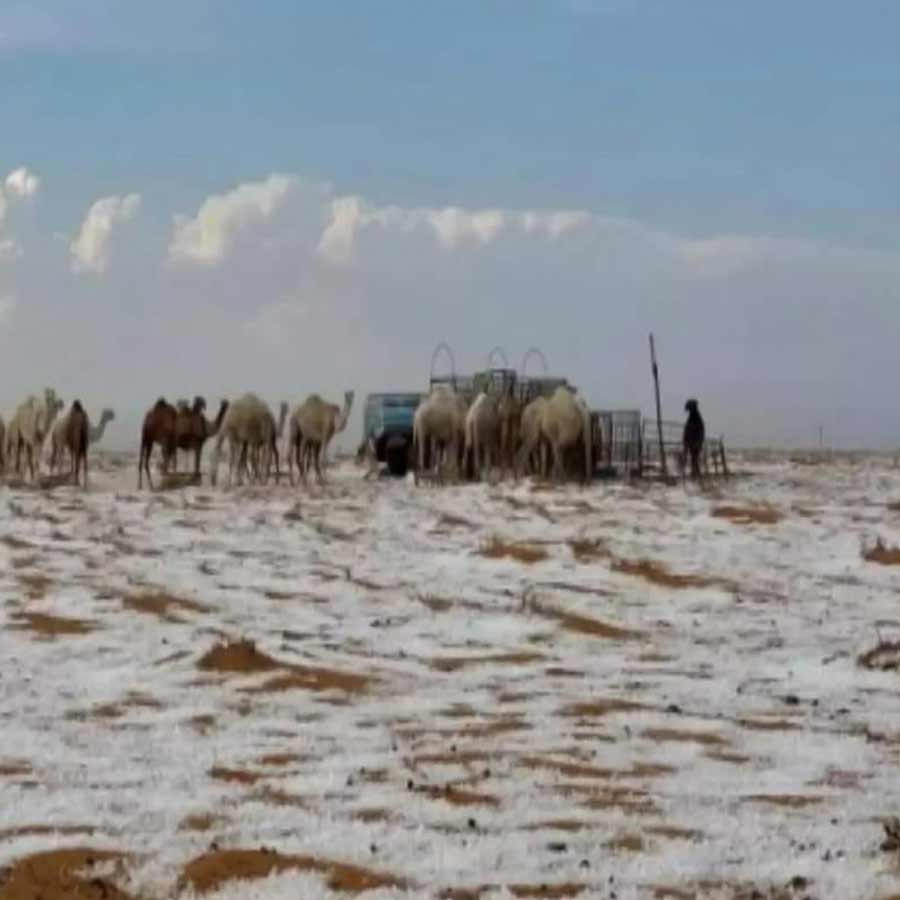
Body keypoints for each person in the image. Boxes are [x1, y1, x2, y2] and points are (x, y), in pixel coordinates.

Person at [683, 398, 705, 478]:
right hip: (691, 442)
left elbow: (700, 431)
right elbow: (688, 429)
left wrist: (698, 442)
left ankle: (696, 474)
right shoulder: (692, 417)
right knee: (693, 459)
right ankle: (695, 473)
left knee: (694, 458)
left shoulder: (696, 418)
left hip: (695, 442)